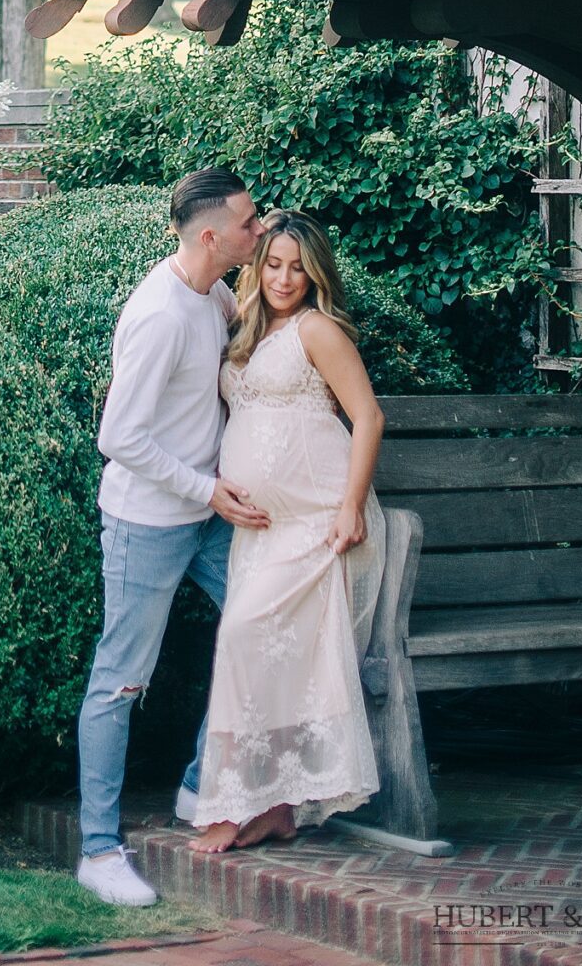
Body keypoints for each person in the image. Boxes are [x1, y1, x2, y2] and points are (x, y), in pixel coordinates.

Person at [74, 167, 267, 910]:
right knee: (119, 680)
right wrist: (204, 488)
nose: (260, 230)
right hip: (147, 525)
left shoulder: (213, 293)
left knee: (259, 628)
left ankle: (196, 787)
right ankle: (98, 851)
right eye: (249, 224)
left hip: (203, 516)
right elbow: (118, 436)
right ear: (212, 236)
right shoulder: (158, 313)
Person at [188, 211, 386, 852]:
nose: (283, 277)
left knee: (244, 637)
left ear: (315, 272)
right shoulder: (242, 325)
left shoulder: (318, 330)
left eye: (298, 266)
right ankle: (274, 806)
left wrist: (351, 507)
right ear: (256, 265)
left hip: (318, 522)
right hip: (261, 530)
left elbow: (369, 417)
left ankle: (233, 803)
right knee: (263, 657)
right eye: (273, 262)